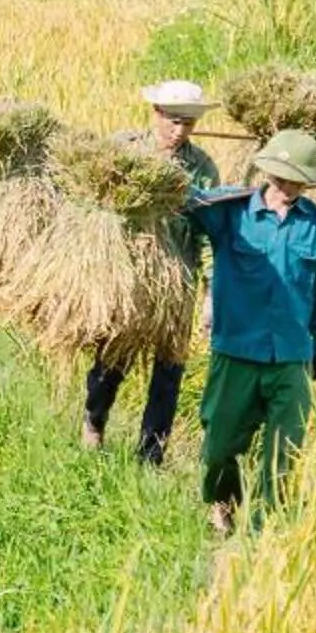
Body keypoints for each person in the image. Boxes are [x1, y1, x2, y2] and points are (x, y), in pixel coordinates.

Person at [183, 128, 316, 535]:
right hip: (236, 351)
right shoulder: (231, 214)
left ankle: (265, 526)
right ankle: (222, 502)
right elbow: (184, 202)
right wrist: (208, 193)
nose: (289, 186)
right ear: (267, 173)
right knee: (219, 445)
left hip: (290, 356)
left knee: (284, 449)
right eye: (282, 177)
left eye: (298, 179)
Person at [83, 79, 220, 466]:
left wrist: (211, 288)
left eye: (188, 124)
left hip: (177, 280)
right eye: (173, 121)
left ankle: (151, 456)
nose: (179, 131)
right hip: (128, 274)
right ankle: (94, 420)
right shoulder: (124, 152)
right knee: (113, 357)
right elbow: (91, 206)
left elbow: (208, 232)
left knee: (169, 370)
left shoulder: (202, 168)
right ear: (155, 114)